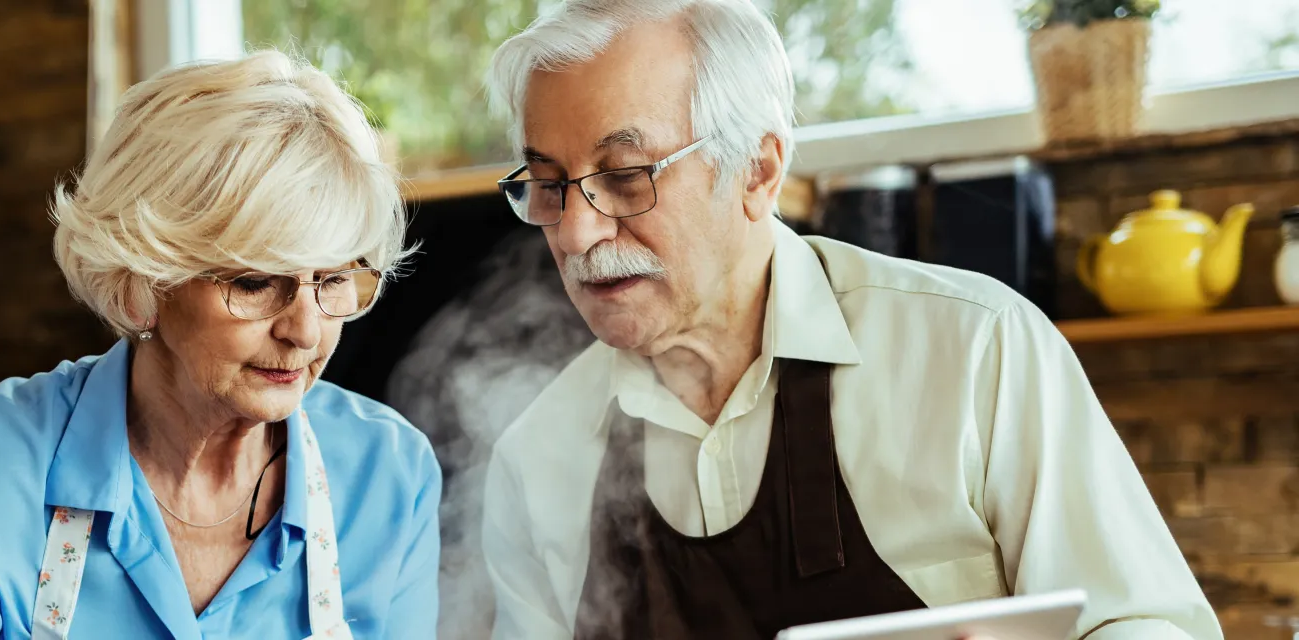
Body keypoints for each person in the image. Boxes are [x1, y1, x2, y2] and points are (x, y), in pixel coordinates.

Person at [477, 1, 1221, 638]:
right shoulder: (536, 460)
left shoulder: (974, 350)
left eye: (625, 176)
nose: (574, 234)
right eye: (547, 186)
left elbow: (1150, 623)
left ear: (758, 171)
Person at [0, 50, 441, 640]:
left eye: (331, 280)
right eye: (254, 283)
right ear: (143, 282)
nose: (303, 331)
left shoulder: (390, 474)